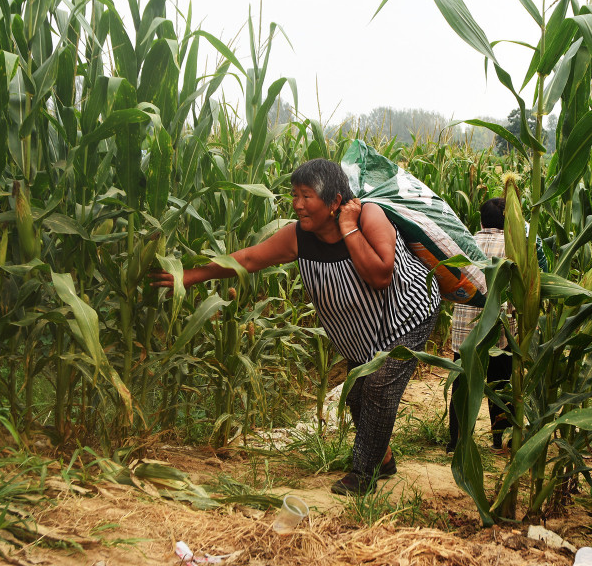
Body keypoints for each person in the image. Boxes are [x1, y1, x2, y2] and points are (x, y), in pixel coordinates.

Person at [150, 158, 440, 495]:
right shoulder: (299, 237)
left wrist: (349, 229)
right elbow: (248, 259)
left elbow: (379, 276)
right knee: (358, 393)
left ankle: (364, 474)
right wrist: (188, 276)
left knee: (377, 383)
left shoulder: (370, 217)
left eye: (307, 196)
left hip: (407, 314)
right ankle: (383, 458)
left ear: (335, 202)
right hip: (363, 331)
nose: (297, 204)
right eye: (295, 195)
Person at [446, 197, 513, 454]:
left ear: (482, 221)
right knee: (500, 383)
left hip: (465, 328)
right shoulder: (512, 245)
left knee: (462, 384)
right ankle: (501, 440)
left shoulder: (466, 242)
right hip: (499, 328)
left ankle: (457, 442)